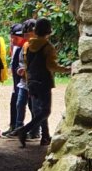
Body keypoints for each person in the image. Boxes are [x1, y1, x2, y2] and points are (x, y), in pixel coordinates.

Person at [15, 17, 71, 148]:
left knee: (38, 110)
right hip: (44, 82)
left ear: (35, 31)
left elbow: (28, 66)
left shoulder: (28, 46)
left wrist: (28, 83)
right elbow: (51, 66)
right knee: (45, 111)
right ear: (49, 31)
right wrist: (68, 69)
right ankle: (23, 130)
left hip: (32, 82)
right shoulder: (47, 47)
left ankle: (44, 136)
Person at [2, 22, 25, 137]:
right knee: (14, 103)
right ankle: (14, 126)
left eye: (15, 38)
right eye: (11, 38)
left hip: (24, 82)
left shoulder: (25, 48)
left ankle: (33, 130)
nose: (12, 40)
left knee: (29, 105)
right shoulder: (16, 47)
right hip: (17, 83)